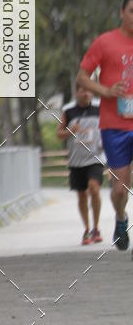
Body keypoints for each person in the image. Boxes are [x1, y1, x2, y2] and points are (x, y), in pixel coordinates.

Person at [76, 0, 133, 252]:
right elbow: (83, 77)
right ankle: (121, 218)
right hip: (114, 126)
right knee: (120, 190)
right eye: (131, 11)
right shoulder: (105, 42)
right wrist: (106, 91)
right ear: (122, 13)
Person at [56, 85, 104, 244]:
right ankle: (87, 229)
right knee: (82, 195)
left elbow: (108, 127)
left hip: (95, 157)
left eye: (89, 90)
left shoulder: (100, 108)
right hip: (76, 161)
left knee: (94, 189)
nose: (86, 93)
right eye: (83, 90)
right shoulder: (68, 111)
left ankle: (96, 227)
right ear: (77, 92)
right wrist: (71, 131)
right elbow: (59, 135)